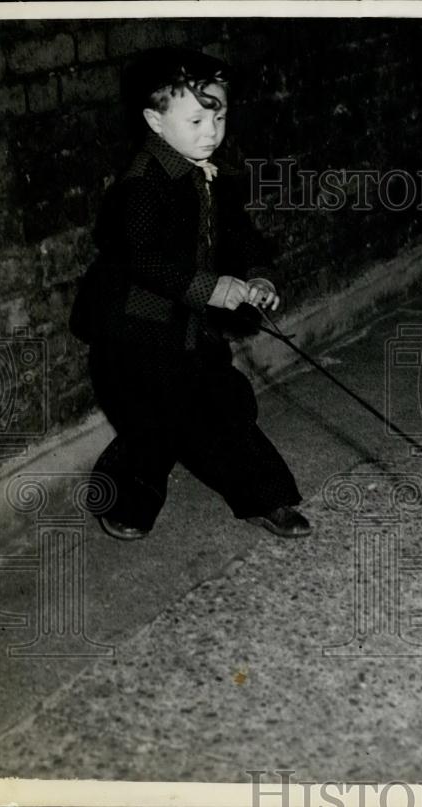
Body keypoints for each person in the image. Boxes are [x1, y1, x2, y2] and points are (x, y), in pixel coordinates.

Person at [70, 48, 311, 540]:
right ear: (155, 122)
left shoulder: (209, 175)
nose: (211, 131)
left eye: (219, 116)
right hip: (133, 329)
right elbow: (142, 259)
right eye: (197, 119)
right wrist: (211, 287)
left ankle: (267, 498)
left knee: (224, 406)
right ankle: (124, 501)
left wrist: (259, 276)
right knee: (152, 424)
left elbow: (242, 235)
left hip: (188, 326)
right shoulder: (139, 187)